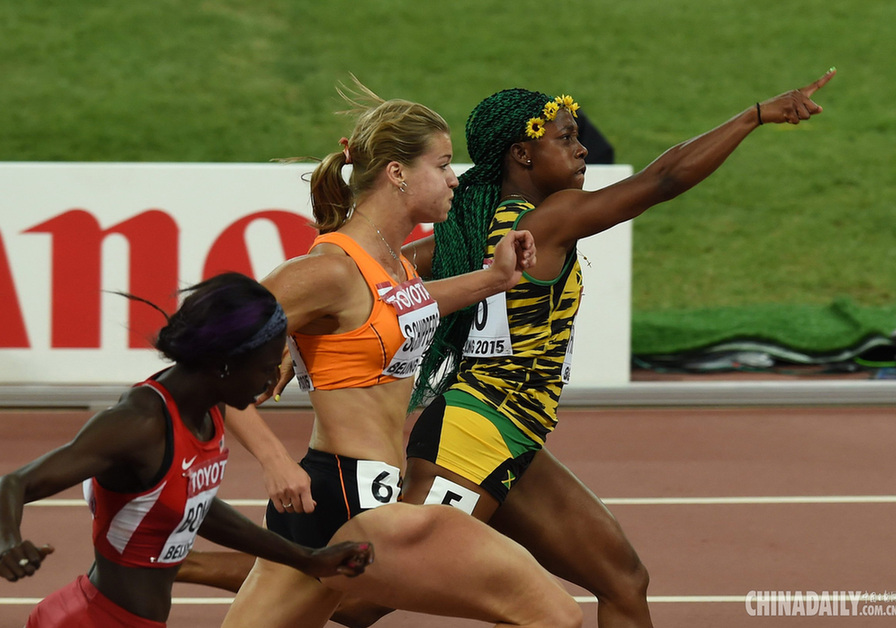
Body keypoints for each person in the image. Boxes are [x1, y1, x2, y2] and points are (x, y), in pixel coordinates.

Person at [396, 69, 837, 628]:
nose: (582, 149)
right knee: (367, 596)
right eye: (565, 138)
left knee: (623, 580)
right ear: (521, 154)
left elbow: (379, 274)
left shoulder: (468, 232)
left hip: (514, 434)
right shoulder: (549, 220)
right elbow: (664, 179)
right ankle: (279, 564)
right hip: (472, 437)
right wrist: (754, 116)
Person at [213, 83, 582, 628]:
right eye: (443, 164)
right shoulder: (327, 269)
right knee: (554, 616)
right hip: (348, 501)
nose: (456, 179)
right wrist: (274, 461)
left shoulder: (393, 265)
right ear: (397, 173)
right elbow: (207, 362)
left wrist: (497, 278)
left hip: (342, 505)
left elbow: (408, 304)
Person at [0, 272, 374, 627]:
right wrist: (7, 542)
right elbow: (14, 484)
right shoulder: (139, 425)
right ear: (225, 364)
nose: (274, 380)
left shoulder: (208, 409)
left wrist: (308, 559)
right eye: (266, 367)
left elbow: (195, 505)